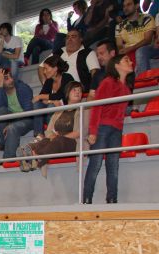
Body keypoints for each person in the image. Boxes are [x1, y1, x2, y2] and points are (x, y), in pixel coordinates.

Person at [84, 54, 133, 204]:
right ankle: (86, 199)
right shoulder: (108, 82)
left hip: (116, 130)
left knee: (113, 165)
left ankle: (112, 199)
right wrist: (93, 131)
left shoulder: (126, 89)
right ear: (116, 65)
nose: (130, 62)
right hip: (103, 127)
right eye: (126, 60)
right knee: (96, 163)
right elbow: (97, 107)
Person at [18, 81, 88, 176]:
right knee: (45, 140)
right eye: (74, 90)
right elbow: (49, 131)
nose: (77, 92)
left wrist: (59, 136)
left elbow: (79, 133)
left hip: (73, 142)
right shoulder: (59, 111)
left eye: (79, 91)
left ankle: (35, 157)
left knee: (58, 140)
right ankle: (28, 152)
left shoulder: (84, 110)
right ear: (68, 93)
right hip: (56, 141)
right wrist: (52, 136)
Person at [0, 68, 34, 158]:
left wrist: (12, 124)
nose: (11, 80)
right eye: (6, 78)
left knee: (12, 128)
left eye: (11, 77)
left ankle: (8, 158)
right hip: (14, 118)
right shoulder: (2, 91)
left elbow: (28, 111)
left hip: (28, 119)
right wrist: (0, 85)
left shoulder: (23, 88)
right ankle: (1, 144)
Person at [33, 55, 74, 140]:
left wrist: (42, 97)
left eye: (46, 68)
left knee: (51, 107)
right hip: (51, 111)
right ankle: (39, 135)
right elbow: (41, 100)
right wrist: (51, 101)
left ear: (55, 68)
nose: (44, 72)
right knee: (37, 105)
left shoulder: (67, 77)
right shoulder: (49, 81)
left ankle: (51, 136)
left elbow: (62, 95)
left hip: (66, 112)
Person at [117, 0, 155, 74]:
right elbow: (119, 45)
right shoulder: (120, 25)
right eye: (124, 6)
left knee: (140, 51)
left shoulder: (146, 18)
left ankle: (143, 81)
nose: (125, 8)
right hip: (129, 51)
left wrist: (131, 48)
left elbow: (148, 40)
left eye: (129, 5)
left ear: (137, 5)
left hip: (146, 49)